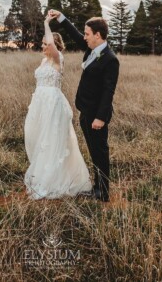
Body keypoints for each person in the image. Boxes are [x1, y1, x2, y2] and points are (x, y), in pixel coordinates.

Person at [49, 10, 119, 202]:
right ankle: (97, 187)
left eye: (87, 33)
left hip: (96, 115)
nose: (84, 37)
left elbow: (108, 91)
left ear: (98, 35)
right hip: (85, 111)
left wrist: (101, 118)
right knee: (93, 150)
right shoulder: (91, 49)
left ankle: (103, 192)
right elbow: (75, 35)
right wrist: (61, 18)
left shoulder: (110, 59)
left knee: (100, 151)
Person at [24, 13, 92, 199]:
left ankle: (53, 180)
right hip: (40, 102)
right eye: (43, 43)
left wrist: (46, 22)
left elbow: (52, 46)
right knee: (37, 137)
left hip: (53, 104)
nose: (44, 46)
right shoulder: (44, 60)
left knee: (51, 139)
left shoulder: (57, 58)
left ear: (55, 45)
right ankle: (42, 175)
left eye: (46, 43)